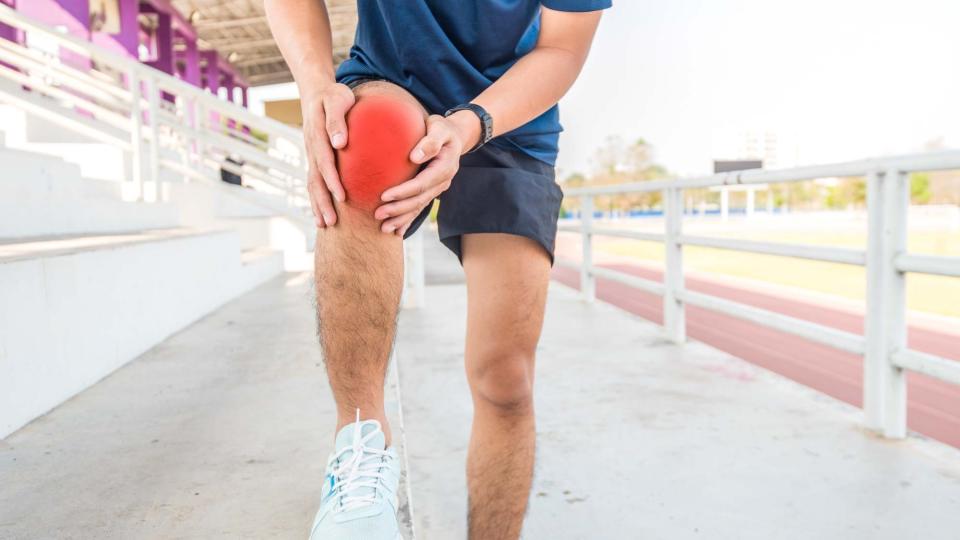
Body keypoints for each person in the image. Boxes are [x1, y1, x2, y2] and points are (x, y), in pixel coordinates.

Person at [264, 1, 609, 539]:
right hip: (392, 77)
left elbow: (562, 45)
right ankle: (359, 454)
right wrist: (314, 86)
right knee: (364, 135)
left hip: (509, 114)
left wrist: (471, 125)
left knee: (506, 381)